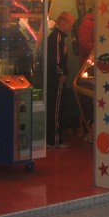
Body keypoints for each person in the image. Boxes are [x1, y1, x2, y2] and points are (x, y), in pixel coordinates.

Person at [47, 11, 76, 148]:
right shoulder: (57, 38)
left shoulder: (56, 37)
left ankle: (52, 138)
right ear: (63, 23)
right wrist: (61, 74)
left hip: (54, 77)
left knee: (54, 107)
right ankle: (55, 140)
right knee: (56, 108)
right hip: (56, 79)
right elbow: (56, 59)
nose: (71, 28)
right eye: (70, 25)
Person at [0, 4, 32, 78]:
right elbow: (27, 55)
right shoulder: (19, 35)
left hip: (4, 78)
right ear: (10, 18)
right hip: (21, 78)